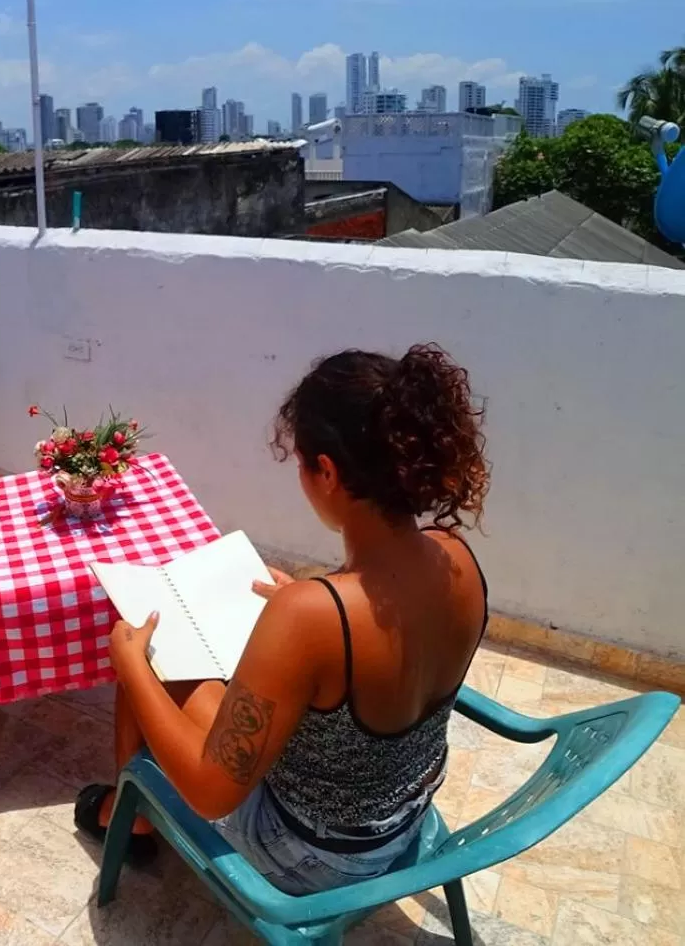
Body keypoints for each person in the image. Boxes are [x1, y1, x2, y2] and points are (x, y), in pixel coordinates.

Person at [76, 343, 490, 896]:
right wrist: (305, 605)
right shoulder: (456, 555)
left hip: (312, 857)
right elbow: (385, 637)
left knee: (150, 655)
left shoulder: (315, 615)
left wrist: (131, 669)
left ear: (326, 470)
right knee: (188, 674)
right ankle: (135, 809)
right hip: (401, 817)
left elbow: (210, 792)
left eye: (300, 463)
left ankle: (135, 813)